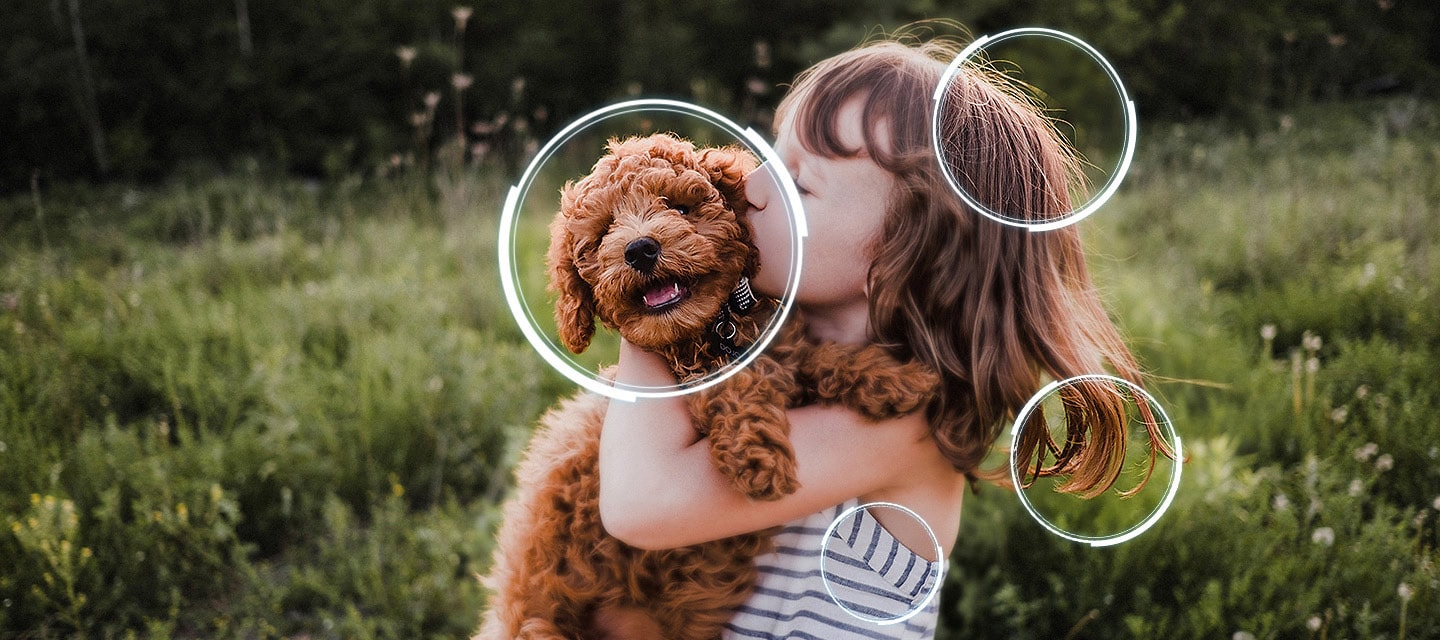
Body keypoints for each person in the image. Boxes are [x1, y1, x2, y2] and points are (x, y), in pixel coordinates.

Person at [598, 33, 1157, 639]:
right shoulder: (768, 357)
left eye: (798, 185)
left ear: (898, 256)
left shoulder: (899, 422)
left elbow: (639, 503)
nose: (749, 188)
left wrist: (647, 305)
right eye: (770, 157)